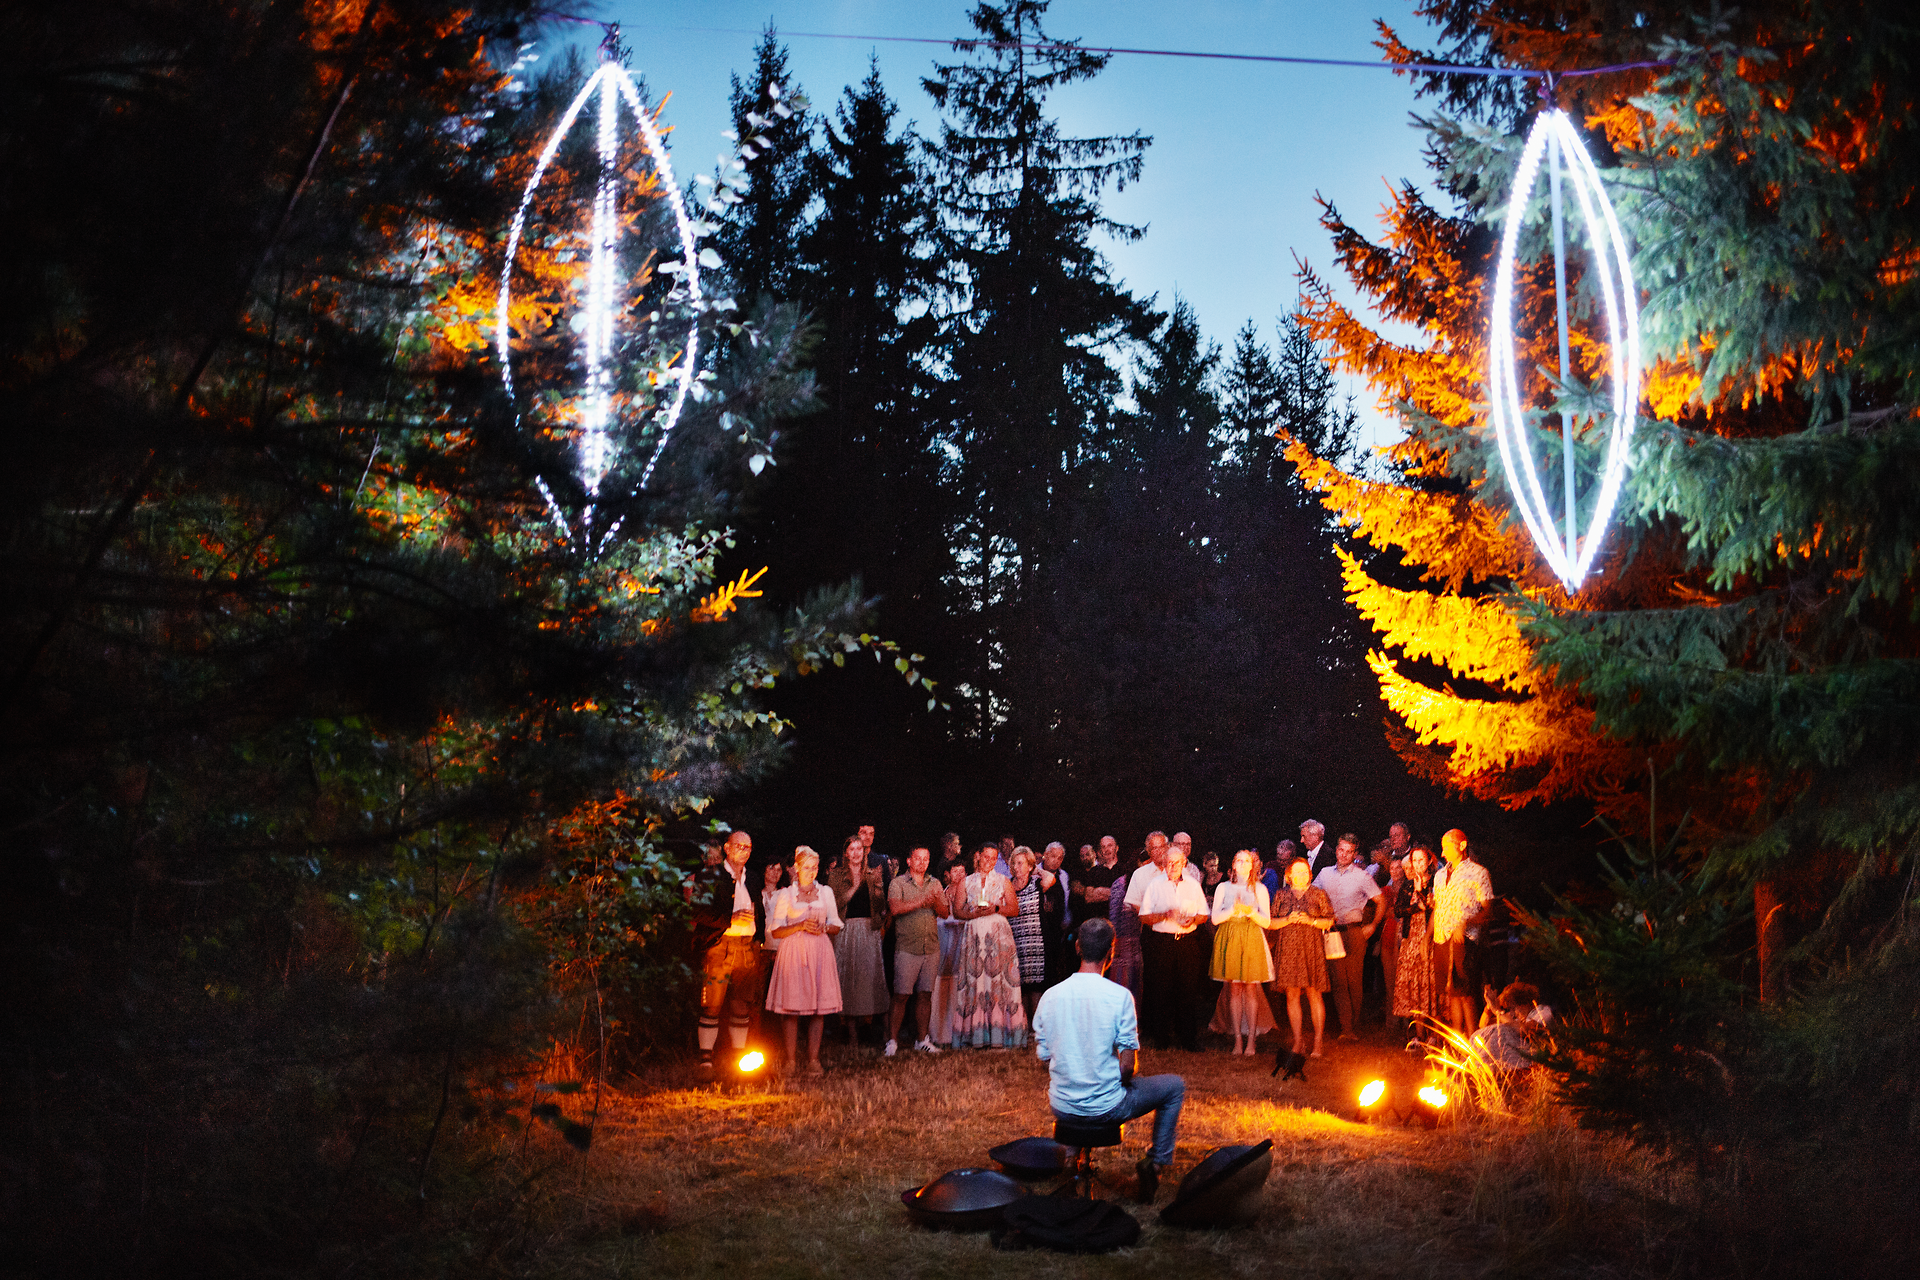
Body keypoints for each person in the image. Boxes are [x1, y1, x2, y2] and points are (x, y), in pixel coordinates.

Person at [1031, 917, 1185, 1204]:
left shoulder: (1050, 997)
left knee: (1083, 1076)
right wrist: (1117, 1078)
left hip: (1063, 1105)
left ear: (1077, 947)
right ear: (1111, 952)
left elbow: (1043, 1059)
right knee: (1174, 1086)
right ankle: (1155, 1163)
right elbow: (1127, 1067)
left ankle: (1070, 1155)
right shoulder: (1120, 997)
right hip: (1105, 1107)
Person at [690, 828, 765, 1074]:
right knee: (712, 1003)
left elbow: (760, 911)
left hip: (746, 945)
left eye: (748, 848)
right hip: (720, 945)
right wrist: (729, 919)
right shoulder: (710, 876)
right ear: (727, 848)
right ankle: (706, 1060)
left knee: (741, 1004)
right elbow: (697, 912)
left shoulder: (753, 878)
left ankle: (739, 1060)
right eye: (739, 846)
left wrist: (759, 939)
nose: (744, 852)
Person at [765, 847, 843, 1075]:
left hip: (819, 949)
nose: (811, 872)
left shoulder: (825, 892)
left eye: (814, 867)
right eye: (806, 867)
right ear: (797, 868)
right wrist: (799, 925)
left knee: (818, 1009)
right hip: (794, 951)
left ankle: (813, 1059)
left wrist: (825, 927)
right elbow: (776, 930)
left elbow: (837, 924)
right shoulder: (786, 894)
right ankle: (790, 1060)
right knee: (791, 1007)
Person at [949, 842, 1027, 1047]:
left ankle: (1002, 1033)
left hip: (998, 936)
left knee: (999, 982)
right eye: (986, 857)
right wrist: (971, 913)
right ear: (978, 856)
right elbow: (957, 911)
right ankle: (974, 1034)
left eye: (993, 858)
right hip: (974, 933)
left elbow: (1014, 909)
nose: (989, 862)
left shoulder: (1003, 881)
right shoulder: (966, 882)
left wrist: (996, 908)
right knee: (976, 982)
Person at [1136, 844, 1210, 1052]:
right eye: (1169, 863)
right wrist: (1165, 914)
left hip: (1187, 941)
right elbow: (1144, 916)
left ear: (1184, 863)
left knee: (1187, 989)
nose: (1173, 866)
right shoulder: (1155, 885)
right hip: (1162, 942)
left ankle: (1188, 1038)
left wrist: (1193, 919)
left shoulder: (1193, 885)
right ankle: (1162, 1038)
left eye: (1177, 862)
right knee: (1162, 990)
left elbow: (1204, 914)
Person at [1314, 833, 1383, 1042]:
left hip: (1354, 932)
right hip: (1333, 932)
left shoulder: (1362, 876)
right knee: (1338, 981)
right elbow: (1312, 893)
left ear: (1354, 853)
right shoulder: (1325, 873)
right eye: (1341, 850)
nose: (1344, 854)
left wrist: (1372, 925)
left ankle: (1354, 1024)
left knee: (1353, 980)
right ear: (1336, 850)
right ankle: (1346, 1028)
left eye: (1349, 851)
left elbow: (1381, 901)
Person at [885, 845, 949, 1056]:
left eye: (926, 859)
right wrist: (922, 901)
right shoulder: (898, 883)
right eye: (918, 859)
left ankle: (922, 1039)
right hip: (907, 947)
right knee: (901, 995)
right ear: (909, 861)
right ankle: (892, 1041)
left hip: (930, 947)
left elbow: (945, 912)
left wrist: (935, 902)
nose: (922, 863)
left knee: (924, 995)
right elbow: (895, 909)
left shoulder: (935, 883)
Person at [1209, 850, 1274, 1055]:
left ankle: (1251, 1040)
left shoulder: (1260, 889)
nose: (1244, 863)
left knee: (1251, 990)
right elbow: (1215, 919)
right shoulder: (1223, 887)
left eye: (1248, 861)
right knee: (1234, 989)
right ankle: (1237, 1039)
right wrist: (1233, 910)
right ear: (1234, 864)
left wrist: (1250, 911)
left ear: (1253, 865)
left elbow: (1267, 921)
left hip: (1251, 936)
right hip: (1230, 936)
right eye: (1239, 860)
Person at [1269, 856, 1334, 1058]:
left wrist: (1312, 921)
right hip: (1288, 950)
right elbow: (1271, 923)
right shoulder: (1281, 895)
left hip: (1311, 949)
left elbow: (1330, 921)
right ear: (1289, 876)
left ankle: (1318, 1042)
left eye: (1304, 872)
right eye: (1297, 872)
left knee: (1315, 994)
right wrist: (1287, 920)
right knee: (1292, 995)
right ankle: (1298, 1041)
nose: (1301, 875)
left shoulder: (1318, 894)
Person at [827, 835, 889, 1046]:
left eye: (859, 849)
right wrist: (854, 887)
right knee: (849, 980)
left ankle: (872, 1031)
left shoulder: (872, 874)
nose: (856, 853)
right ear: (846, 852)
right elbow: (834, 904)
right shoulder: (836, 876)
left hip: (868, 930)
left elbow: (880, 906)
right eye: (851, 849)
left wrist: (878, 885)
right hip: (846, 929)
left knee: (870, 980)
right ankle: (851, 1035)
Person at [1432, 828, 1494, 1034]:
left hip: (1465, 941)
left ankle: (1474, 1040)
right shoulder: (1440, 876)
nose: (1442, 853)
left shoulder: (1478, 873)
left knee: (1467, 993)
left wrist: (1466, 923)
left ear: (1462, 845)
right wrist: (1427, 937)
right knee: (1452, 993)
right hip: (1442, 938)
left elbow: (1488, 910)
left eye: (1447, 847)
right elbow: (1437, 907)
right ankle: (1457, 1042)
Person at [1392, 844, 1440, 1040]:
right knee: (1415, 985)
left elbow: (1433, 908)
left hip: (1431, 937)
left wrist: (1421, 894)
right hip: (1411, 938)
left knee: (1431, 983)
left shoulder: (1437, 881)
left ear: (1428, 861)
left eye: (1421, 860)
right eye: (1415, 860)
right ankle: (1418, 1034)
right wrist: (1415, 905)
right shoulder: (1408, 884)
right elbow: (1398, 910)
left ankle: (1435, 1033)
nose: (1418, 864)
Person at [1008, 847, 1048, 1023]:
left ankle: (1035, 1026)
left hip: (1035, 941)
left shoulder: (1037, 883)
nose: (1016, 867)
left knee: (1035, 985)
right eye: (1014, 863)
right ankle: (1021, 1025)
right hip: (1014, 940)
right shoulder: (1007, 885)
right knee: (1020, 985)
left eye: (1020, 863)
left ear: (1030, 865)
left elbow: (1051, 878)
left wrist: (1036, 869)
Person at [930, 861, 969, 1043]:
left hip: (961, 940)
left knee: (957, 981)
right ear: (948, 874)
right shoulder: (942, 892)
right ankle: (939, 1031)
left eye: (963, 871)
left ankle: (957, 1030)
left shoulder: (968, 893)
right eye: (956, 871)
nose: (960, 875)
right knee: (941, 981)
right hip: (943, 938)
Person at [1106, 847, 1144, 1002]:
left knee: (1139, 981)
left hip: (1140, 939)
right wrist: (1115, 941)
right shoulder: (1121, 883)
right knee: (1124, 981)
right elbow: (1113, 915)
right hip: (1124, 940)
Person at [1038, 842, 1075, 988]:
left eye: (1060, 858)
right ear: (1045, 855)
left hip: (1056, 931)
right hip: (1038, 929)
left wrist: (1066, 921)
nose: (1056, 861)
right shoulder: (1034, 873)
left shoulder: (1064, 876)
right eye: (1053, 856)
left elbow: (1065, 901)